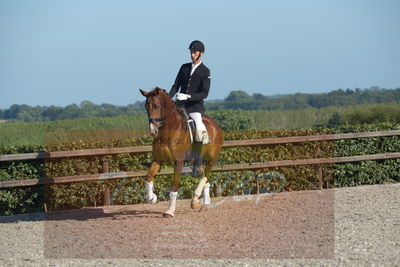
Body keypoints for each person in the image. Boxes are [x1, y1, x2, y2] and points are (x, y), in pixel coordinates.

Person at [169, 40, 211, 144]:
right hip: (180, 105)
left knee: (198, 124)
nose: (192, 55)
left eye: (194, 53)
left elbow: (204, 93)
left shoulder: (205, 71)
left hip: (194, 107)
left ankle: (201, 148)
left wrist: (188, 97)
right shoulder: (184, 67)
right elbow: (175, 86)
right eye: (191, 52)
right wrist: (168, 98)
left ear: (201, 53)